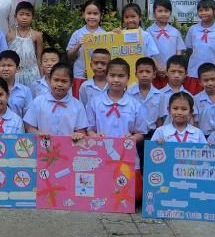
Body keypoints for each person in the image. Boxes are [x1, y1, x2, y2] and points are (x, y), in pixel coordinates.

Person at [85, 57, 147, 201]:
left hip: (127, 155)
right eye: (112, 75)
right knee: (101, 193)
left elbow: (140, 133)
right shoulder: (95, 102)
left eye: (121, 76)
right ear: (106, 76)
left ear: (128, 78)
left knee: (135, 196)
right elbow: (89, 129)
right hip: (100, 153)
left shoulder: (135, 105)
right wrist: (95, 136)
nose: (116, 80)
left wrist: (132, 138)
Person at [184, 0, 215, 95]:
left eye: (206, 10)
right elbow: (189, 51)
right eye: (200, 10)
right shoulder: (193, 30)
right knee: (192, 100)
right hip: (194, 74)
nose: (203, 13)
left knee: (213, 99)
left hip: (213, 75)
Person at [24, 63, 88, 136]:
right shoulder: (38, 102)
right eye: (56, 80)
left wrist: (77, 135)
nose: (59, 84)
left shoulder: (77, 105)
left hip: (68, 143)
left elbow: (81, 131)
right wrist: (39, 134)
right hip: (43, 142)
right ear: (49, 81)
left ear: (71, 83)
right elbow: (30, 128)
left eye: (64, 81)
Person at [67, 0, 106, 97]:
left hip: (99, 77)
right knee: (79, 102)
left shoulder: (105, 35)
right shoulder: (77, 34)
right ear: (83, 14)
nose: (92, 17)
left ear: (101, 15)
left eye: (95, 13)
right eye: (89, 13)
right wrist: (78, 46)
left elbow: (109, 57)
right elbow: (69, 56)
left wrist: (92, 70)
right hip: (80, 76)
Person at [126, 57, 165, 154]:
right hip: (133, 135)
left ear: (154, 74)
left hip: (152, 134)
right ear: (136, 74)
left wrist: (159, 135)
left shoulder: (160, 95)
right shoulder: (128, 93)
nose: (144, 75)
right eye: (141, 72)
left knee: (149, 160)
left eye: (148, 72)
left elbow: (160, 120)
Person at [146, 0, 185, 89]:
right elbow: (148, 52)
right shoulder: (148, 32)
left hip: (171, 73)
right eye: (160, 11)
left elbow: (179, 52)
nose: (163, 14)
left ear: (170, 13)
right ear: (154, 13)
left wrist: (169, 68)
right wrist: (158, 67)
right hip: (154, 72)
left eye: (166, 11)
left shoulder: (175, 32)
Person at [7, 1, 43, 88]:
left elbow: (39, 58)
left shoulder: (37, 35)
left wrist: (42, 77)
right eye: (21, 14)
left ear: (33, 17)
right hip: (15, 74)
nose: (24, 17)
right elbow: (7, 57)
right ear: (15, 16)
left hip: (32, 74)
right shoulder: (10, 35)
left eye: (28, 15)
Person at [0, 50, 33, 118]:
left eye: (9, 65)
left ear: (17, 68)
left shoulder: (25, 91)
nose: (6, 69)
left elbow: (29, 117)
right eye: (3, 65)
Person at [193, 63, 215, 137]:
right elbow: (195, 122)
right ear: (200, 82)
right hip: (202, 137)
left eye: (213, 79)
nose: (210, 83)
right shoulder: (195, 99)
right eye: (206, 80)